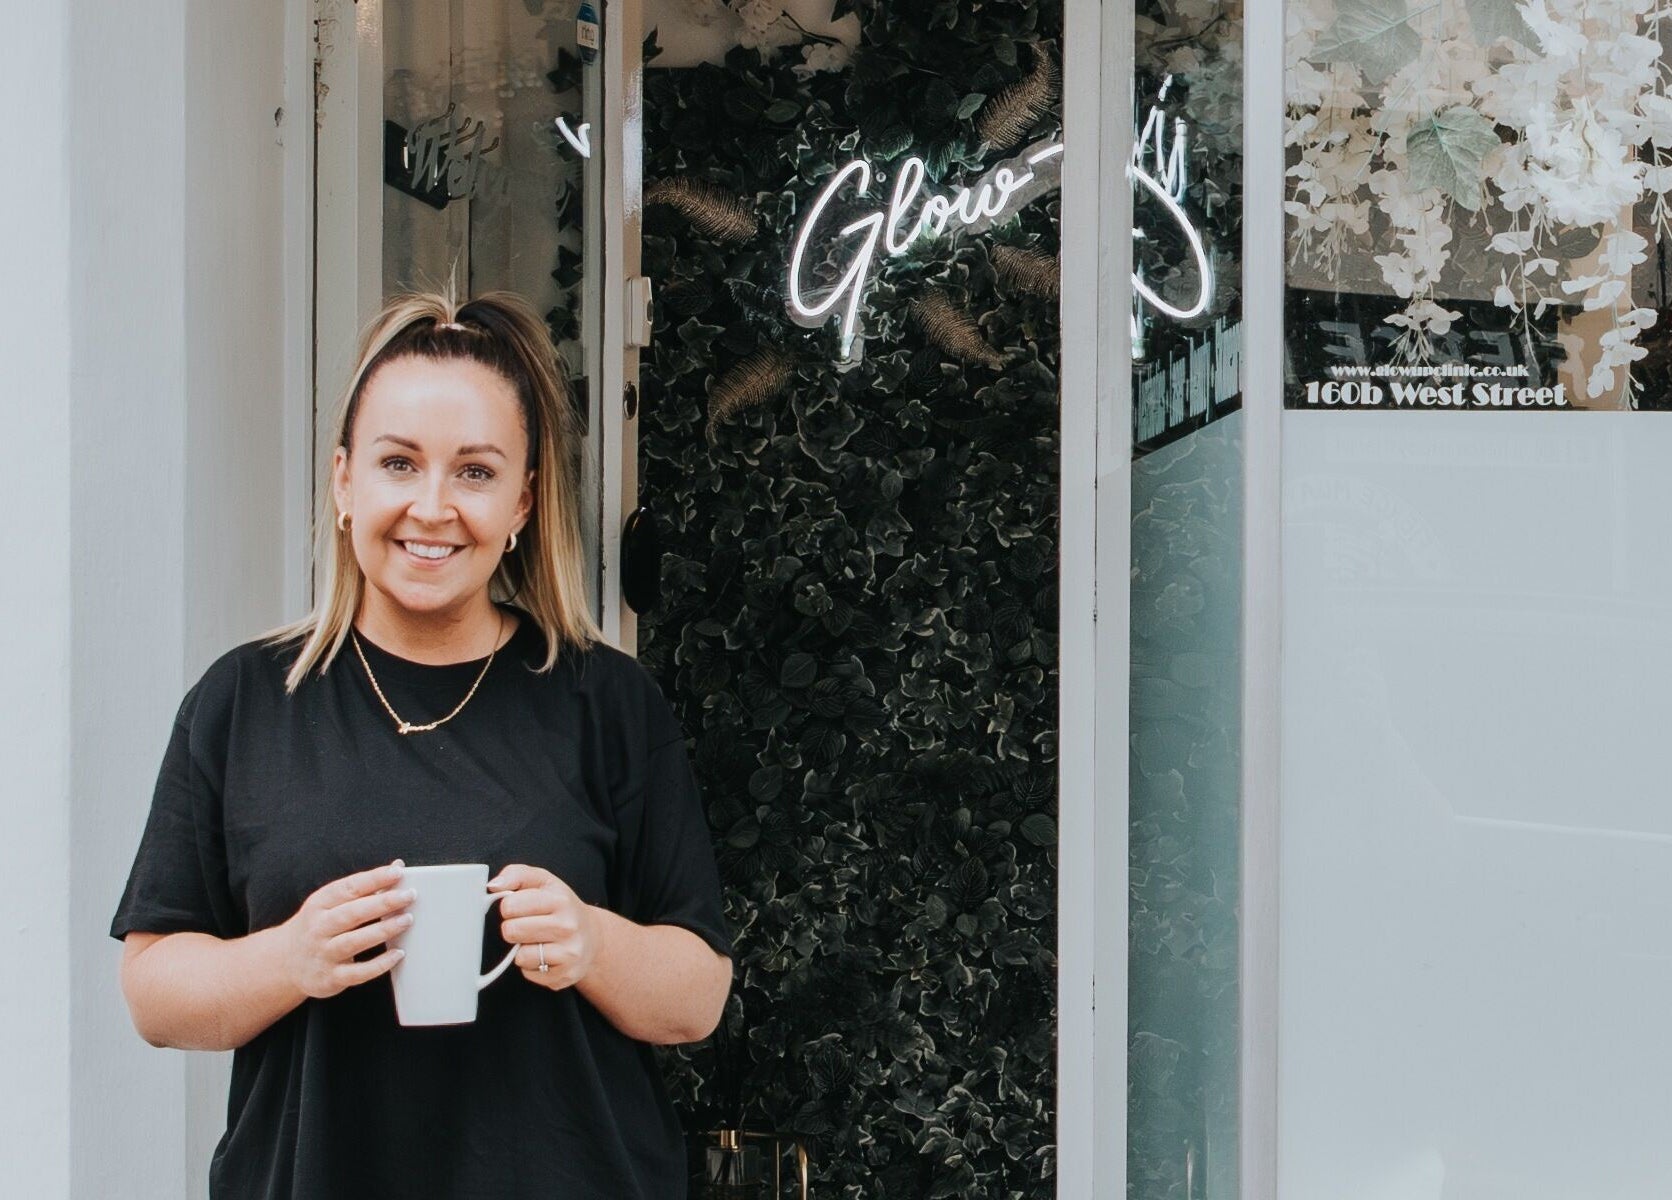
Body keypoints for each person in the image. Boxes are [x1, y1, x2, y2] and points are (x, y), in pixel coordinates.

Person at [111, 291, 733, 1199]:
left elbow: (698, 996)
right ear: (343, 481)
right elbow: (154, 995)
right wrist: (290, 960)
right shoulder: (245, 701)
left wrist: (594, 945)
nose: (432, 507)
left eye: (475, 473)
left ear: (522, 499)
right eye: (398, 463)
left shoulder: (607, 702)